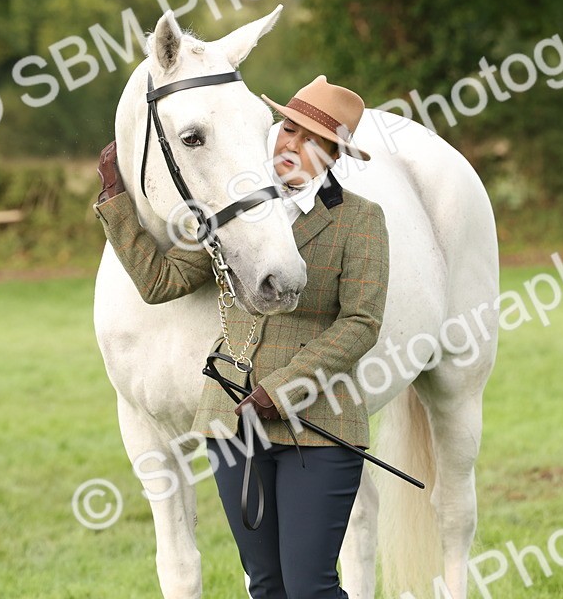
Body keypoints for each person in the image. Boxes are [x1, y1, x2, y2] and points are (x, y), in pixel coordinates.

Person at [93, 75, 390, 599]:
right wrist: (115, 203)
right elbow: (162, 283)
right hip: (234, 429)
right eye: (290, 131)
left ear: (335, 156)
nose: (294, 147)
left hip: (318, 430)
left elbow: (361, 324)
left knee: (310, 588)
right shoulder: (235, 212)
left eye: (315, 142)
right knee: (267, 585)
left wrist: (281, 391)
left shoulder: (360, 221)